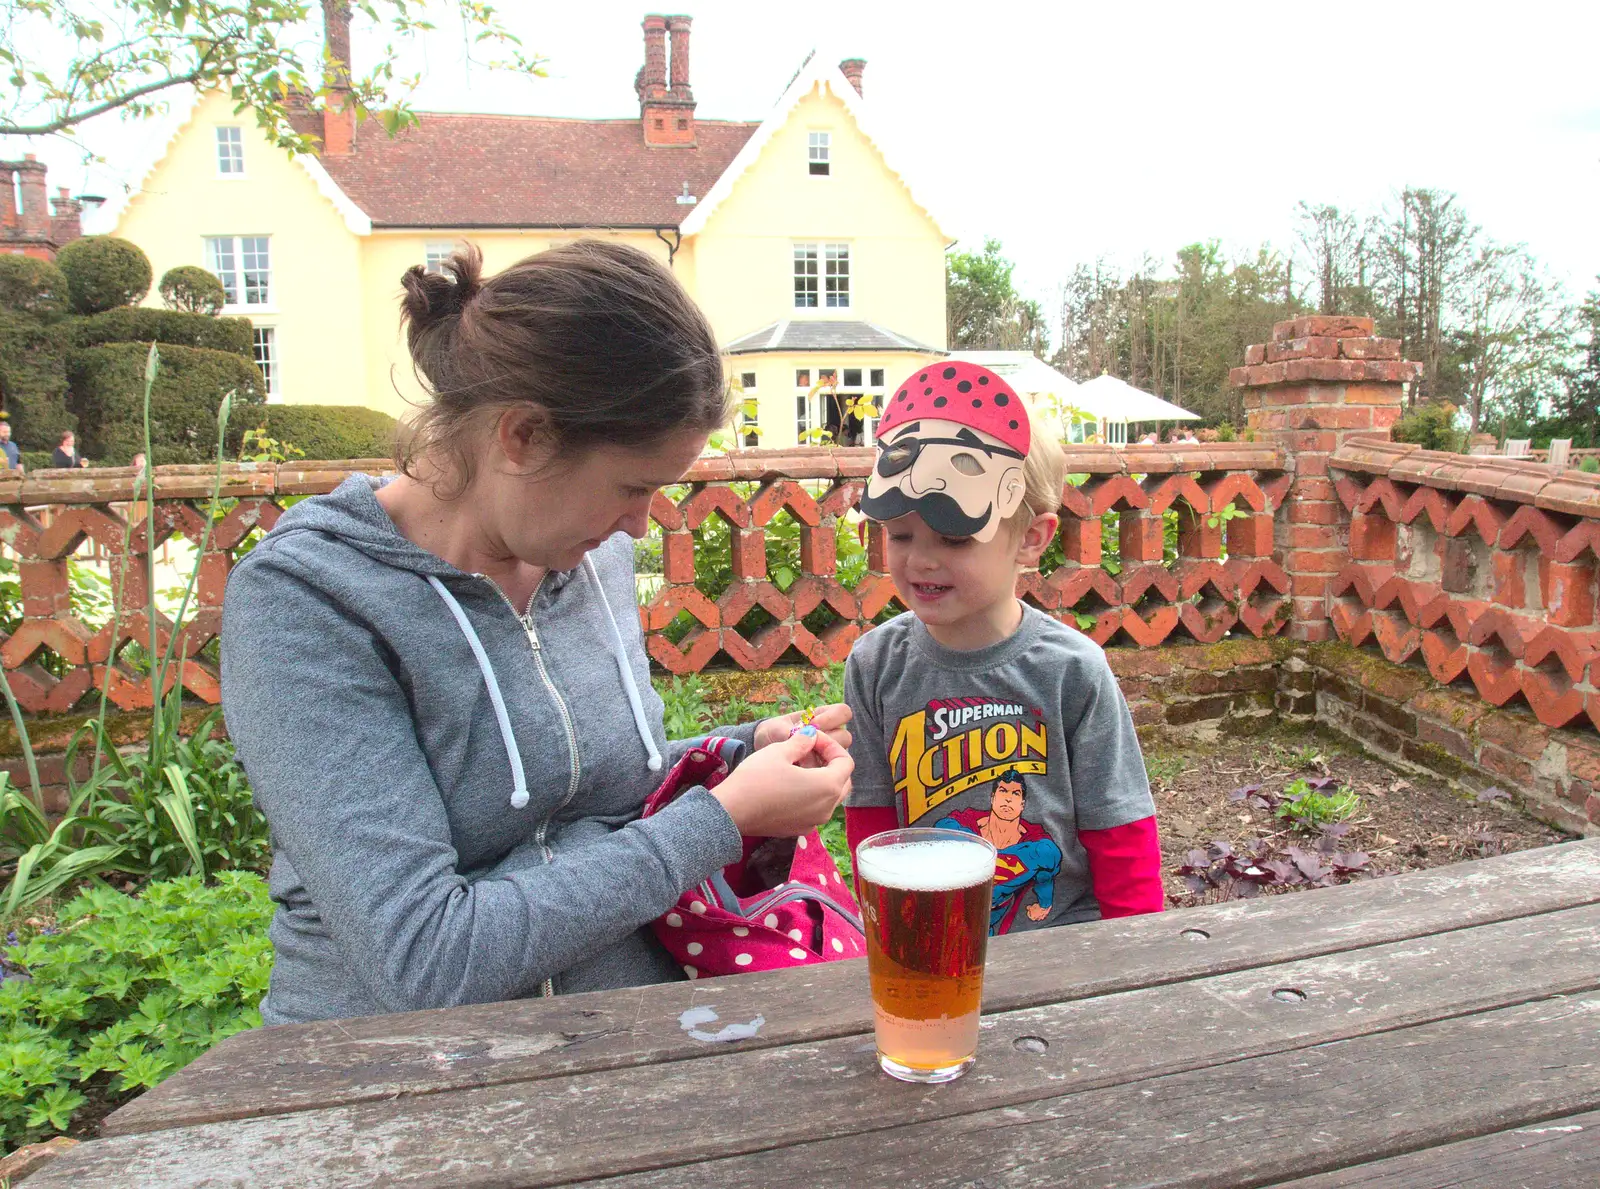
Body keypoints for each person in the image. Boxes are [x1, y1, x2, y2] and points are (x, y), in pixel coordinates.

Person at [221, 243, 855, 1025]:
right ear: (521, 436)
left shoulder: (593, 554)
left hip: (623, 1042)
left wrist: (742, 753)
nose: (642, 523)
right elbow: (426, 958)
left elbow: (609, 793)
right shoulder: (311, 599)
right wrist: (720, 820)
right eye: (631, 487)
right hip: (395, 1080)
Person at [843, 361, 1162, 935]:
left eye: (955, 538)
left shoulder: (1072, 670)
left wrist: (1133, 957)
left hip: (1063, 941)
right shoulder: (874, 665)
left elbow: (1121, 833)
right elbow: (873, 825)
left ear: (1031, 539)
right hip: (932, 939)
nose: (920, 560)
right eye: (900, 534)